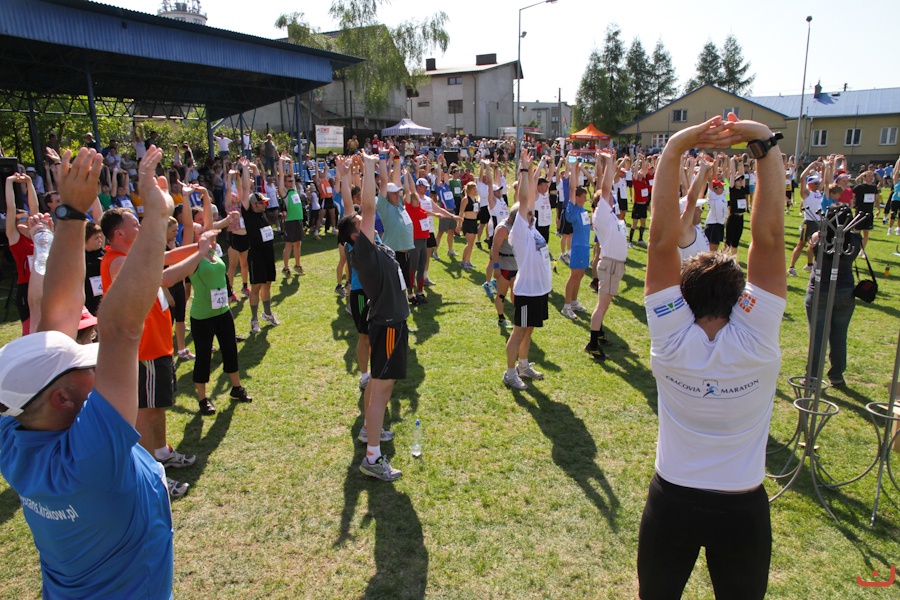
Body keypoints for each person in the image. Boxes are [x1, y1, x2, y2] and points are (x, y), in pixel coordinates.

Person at [0, 146, 175, 597]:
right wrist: (156, 218)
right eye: (81, 364)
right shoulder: (91, 456)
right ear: (61, 398)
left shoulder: (17, 435)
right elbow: (120, 329)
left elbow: (56, 313)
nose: (91, 358)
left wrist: (72, 213)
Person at [638, 114, 787, 599]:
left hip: (672, 502)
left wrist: (675, 148)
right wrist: (762, 142)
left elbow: (662, 241)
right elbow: (769, 239)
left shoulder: (671, 339)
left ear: (684, 297)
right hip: (741, 508)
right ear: (740, 299)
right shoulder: (756, 341)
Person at [338, 151, 409, 482]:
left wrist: (352, 174)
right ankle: (372, 456)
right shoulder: (363, 251)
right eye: (360, 223)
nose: (366, 220)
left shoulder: (369, 246)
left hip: (393, 323)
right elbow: (366, 208)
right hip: (388, 325)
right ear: (356, 235)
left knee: (384, 385)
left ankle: (370, 430)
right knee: (381, 389)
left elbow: (359, 209)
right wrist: (367, 167)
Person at [502, 150, 552, 391]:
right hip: (526, 292)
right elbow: (524, 199)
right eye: (528, 212)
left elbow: (529, 197)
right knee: (518, 331)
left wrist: (534, 168)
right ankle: (510, 373)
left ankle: (523, 365)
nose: (532, 212)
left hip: (539, 290)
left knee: (529, 330)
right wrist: (523, 169)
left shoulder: (531, 228)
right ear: (519, 217)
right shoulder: (520, 231)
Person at [805, 203, 862, 387]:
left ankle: (812, 376)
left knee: (818, 336)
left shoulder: (818, 237)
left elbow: (811, 252)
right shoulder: (855, 239)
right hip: (844, 290)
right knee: (839, 335)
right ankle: (836, 374)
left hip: (820, 290)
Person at [239, 159, 280, 333]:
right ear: (253, 204)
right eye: (261, 203)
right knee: (256, 287)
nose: (264, 204)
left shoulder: (262, 213)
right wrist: (244, 169)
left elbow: (257, 184)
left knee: (268, 284)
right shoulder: (248, 213)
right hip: (256, 256)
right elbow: (245, 190)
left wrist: (255, 169)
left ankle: (267, 313)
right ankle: (254, 319)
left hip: (268, 254)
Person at [4, 170, 40, 335]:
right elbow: (11, 208)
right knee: (30, 329)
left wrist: (29, 183)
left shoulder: (36, 236)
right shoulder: (15, 238)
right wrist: (9, 182)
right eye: (21, 219)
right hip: (26, 286)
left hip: (41, 283)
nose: (26, 221)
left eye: (27, 218)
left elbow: (34, 207)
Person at [560, 155, 592, 320]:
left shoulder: (583, 210)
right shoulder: (572, 209)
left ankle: (574, 302)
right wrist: (573, 167)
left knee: (580, 276)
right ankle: (566, 307)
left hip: (585, 246)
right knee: (574, 276)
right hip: (578, 246)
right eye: (583, 197)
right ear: (577, 197)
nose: (585, 199)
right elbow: (572, 188)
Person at [788, 162, 825, 276]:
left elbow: (824, 179)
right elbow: (802, 177)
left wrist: (825, 167)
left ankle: (809, 265)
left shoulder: (818, 193)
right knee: (801, 244)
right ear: (810, 184)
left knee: (813, 244)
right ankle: (791, 267)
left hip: (818, 222)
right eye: (816, 183)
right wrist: (811, 166)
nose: (818, 184)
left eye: (818, 183)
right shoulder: (806, 193)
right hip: (808, 222)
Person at [277, 156, 306, 275]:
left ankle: (297, 265)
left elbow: (292, 175)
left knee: (298, 244)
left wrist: (290, 163)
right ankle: (285, 268)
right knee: (289, 244)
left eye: (292, 181)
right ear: (285, 183)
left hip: (298, 220)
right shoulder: (284, 192)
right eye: (288, 181)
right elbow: (281, 176)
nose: (291, 182)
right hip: (290, 221)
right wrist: (281, 161)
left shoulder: (294, 190)